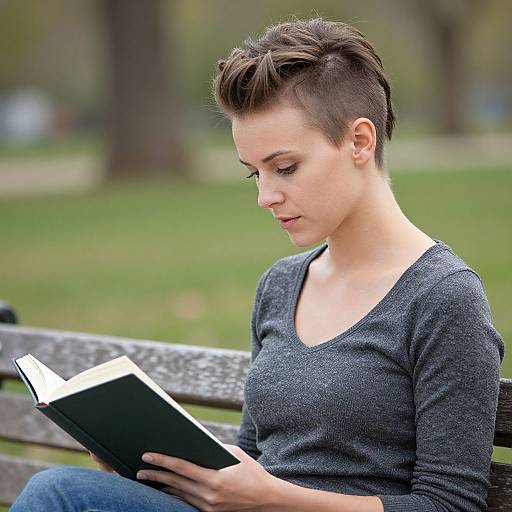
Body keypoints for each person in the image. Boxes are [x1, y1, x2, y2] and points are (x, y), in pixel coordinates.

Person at [10, 17, 504, 512]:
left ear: (359, 141)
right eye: (255, 173)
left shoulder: (443, 298)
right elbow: (252, 459)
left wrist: (274, 498)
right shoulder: (282, 284)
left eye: (285, 168)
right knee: (68, 493)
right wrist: (156, 468)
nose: (266, 196)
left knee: (57, 494)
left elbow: (450, 504)